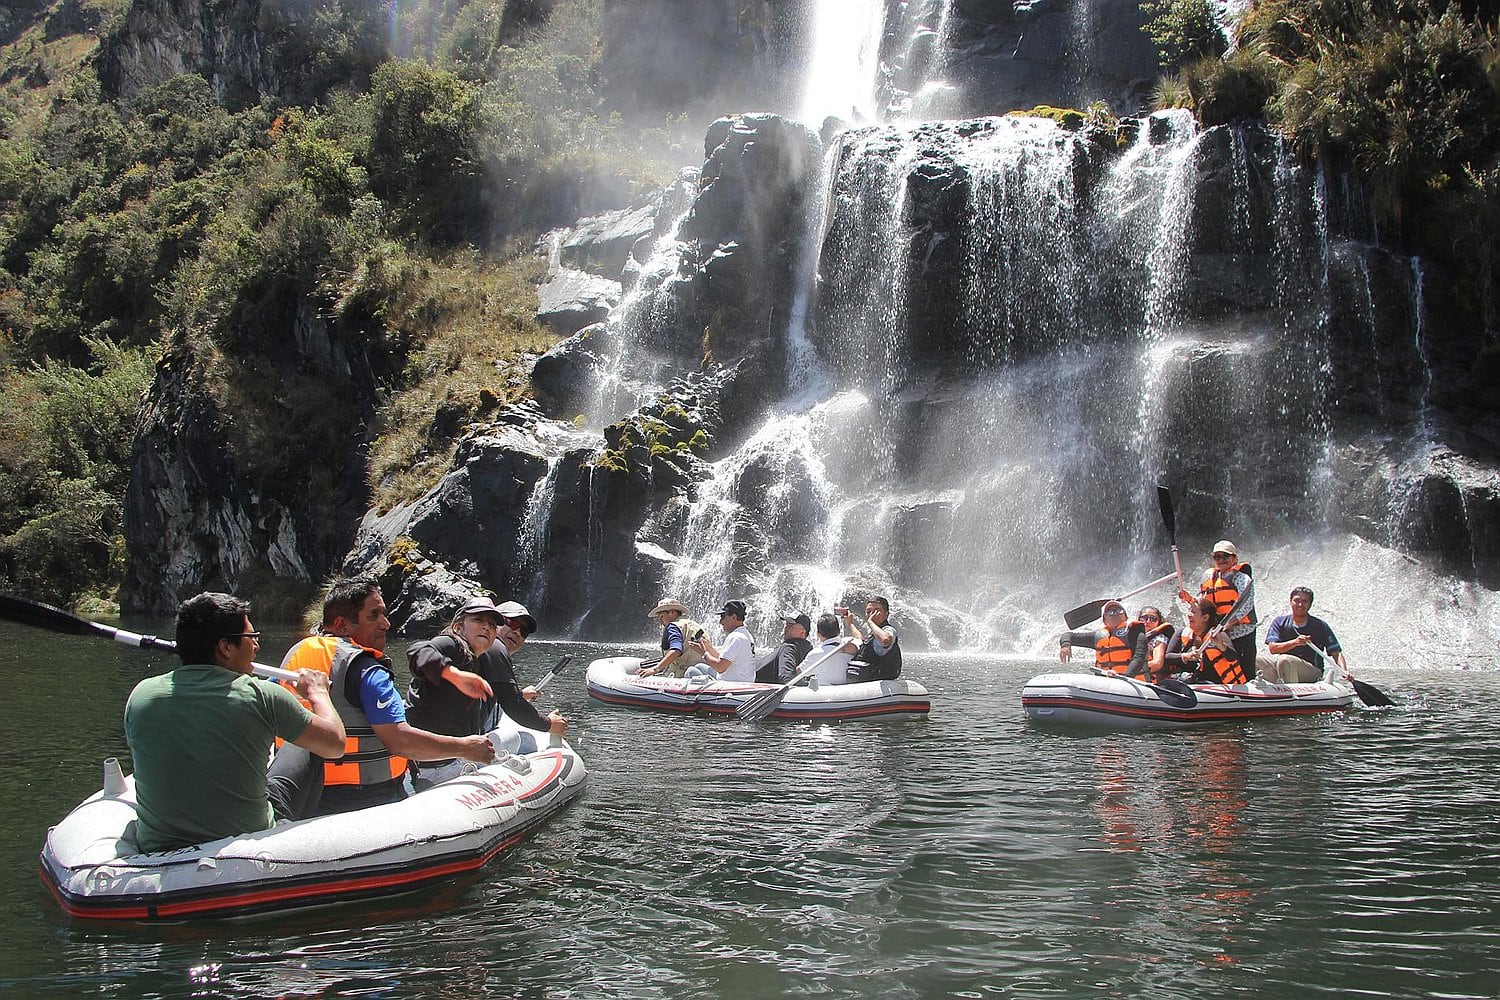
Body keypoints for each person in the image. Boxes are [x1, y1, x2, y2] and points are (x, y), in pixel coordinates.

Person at [122, 593, 346, 853]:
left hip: (159, 844)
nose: (257, 647)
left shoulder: (140, 695)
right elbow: (335, 745)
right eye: (252, 638)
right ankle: (299, 845)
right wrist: (318, 693)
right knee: (307, 746)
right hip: (246, 840)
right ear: (225, 648)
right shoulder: (263, 696)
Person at [280, 577, 494, 814]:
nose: (386, 624)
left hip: (306, 796)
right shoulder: (367, 670)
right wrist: (465, 747)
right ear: (341, 625)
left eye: (384, 614)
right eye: (374, 616)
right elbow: (399, 741)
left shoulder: (294, 655)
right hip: (367, 799)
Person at [1179, 539, 1258, 679]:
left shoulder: (1241, 578)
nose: (1220, 560)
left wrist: (1228, 623)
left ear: (1234, 558)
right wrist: (1189, 599)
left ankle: (1250, 690)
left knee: (1245, 667)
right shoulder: (1210, 578)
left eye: (1225, 556)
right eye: (1217, 557)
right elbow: (1203, 604)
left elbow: (1246, 603)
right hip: (1219, 631)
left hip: (1240, 631)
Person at [1258, 586, 1348, 683]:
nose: (1300, 604)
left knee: (1284, 660)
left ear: (1310, 604)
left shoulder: (1320, 625)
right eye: (1296, 600)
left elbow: (1336, 653)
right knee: (1257, 659)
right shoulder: (1279, 622)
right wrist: (1296, 642)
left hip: (1311, 670)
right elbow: (1273, 649)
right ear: (1291, 602)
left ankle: (1291, 692)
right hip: (1283, 666)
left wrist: (1344, 671)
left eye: (1305, 601)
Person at [1162, 596, 1248, 685]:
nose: (1189, 614)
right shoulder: (1181, 633)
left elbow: (1233, 657)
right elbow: (1168, 657)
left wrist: (1222, 646)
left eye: (1193, 612)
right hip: (1190, 682)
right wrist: (1185, 656)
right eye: (1189, 610)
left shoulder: (1217, 635)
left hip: (1216, 686)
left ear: (1205, 617)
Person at [687, 599, 757, 682]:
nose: (720, 622)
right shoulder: (745, 634)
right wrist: (708, 648)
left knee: (690, 671)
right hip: (742, 680)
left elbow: (720, 667)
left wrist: (704, 654)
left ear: (734, 617)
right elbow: (724, 659)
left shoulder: (736, 637)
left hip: (732, 685)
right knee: (699, 666)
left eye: (723, 617)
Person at [1058, 601, 1136, 674]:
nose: (1115, 614)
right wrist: (1065, 646)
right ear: (1104, 620)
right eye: (1110, 612)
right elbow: (1068, 635)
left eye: (1120, 611)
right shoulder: (1098, 637)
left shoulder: (1136, 632)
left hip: (1131, 681)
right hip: (1105, 681)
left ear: (1126, 617)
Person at [840, 595, 902, 681]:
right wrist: (850, 624)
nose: (871, 614)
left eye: (877, 611)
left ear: (886, 614)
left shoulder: (888, 630)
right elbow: (861, 641)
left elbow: (885, 640)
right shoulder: (875, 632)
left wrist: (870, 622)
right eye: (868, 611)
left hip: (881, 678)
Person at [638, 598, 705, 678]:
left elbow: (676, 650)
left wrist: (655, 669)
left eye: (662, 616)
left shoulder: (673, 627)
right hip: (700, 673)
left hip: (680, 676)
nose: (660, 621)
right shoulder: (696, 626)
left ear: (672, 612)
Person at [759, 612, 813, 683]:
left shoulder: (789, 647)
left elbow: (787, 677)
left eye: (791, 626)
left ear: (802, 632)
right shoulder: (809, 650)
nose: (786, 628)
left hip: (754, 686)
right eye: (786, 625)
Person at [1125, 606, 1176, 681]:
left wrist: (1130, 671)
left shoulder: (1159, 638)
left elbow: (1157, 663)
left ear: (1159, 621)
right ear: (1139, 619)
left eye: (1153, 619)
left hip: (1147, 681)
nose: (1148, 621)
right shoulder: (1131, 636)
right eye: (1144, 618)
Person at [808, 613, 859, 686]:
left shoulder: (815, 654)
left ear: (818, 634)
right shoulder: (850, 645)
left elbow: (798, 672)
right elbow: (859, 639)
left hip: (823, 694)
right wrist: (850, 624)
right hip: (848, 692)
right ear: (839, 631)